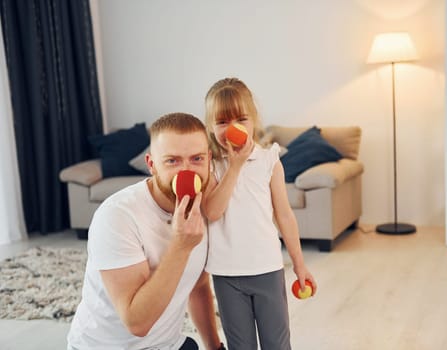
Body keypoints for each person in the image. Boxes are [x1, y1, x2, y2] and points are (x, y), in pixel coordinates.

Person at [67, 113, 225, 350]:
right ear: (151, 165)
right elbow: (137, 323)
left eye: (196, 159)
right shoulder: (117, 216)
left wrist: (215, 348)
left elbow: (198, 285)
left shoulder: (204, 207)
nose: (187, 171)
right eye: (172, 161)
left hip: (167, 345)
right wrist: (181, 246)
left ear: (209, 160)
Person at [202, 77, 317, 350]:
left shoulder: (269, 160)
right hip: (227, 274)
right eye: (222, 122)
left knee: (276, 344)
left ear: (254, 120)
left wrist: (299, 264)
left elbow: (285, 216)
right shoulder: (211, 165)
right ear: (210, 126)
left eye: (241, 119)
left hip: (267, 269)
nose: (233, 129)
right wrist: (234, 167)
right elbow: (212, 211)